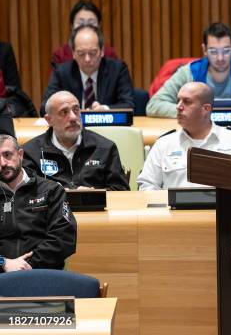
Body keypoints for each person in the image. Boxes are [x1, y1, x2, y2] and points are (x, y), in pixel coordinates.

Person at [146, 22, 231, 117]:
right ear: (204, 50)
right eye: (213, 51)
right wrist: (193, 112)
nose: (220, 58)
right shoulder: (188, 72)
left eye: (226, 51)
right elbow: (154, 105)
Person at [138, 82, 231, 190]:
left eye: (187, 101)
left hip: (223, 211)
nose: (178, 106)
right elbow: (147, 185)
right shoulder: (164, 144)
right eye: (178, 100)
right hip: (174, 212)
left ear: (206, 109)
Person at [22, 91, 129, 191]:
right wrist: (55, 195)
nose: (73, 117)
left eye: (76, 110)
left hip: (94, 210)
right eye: (64, 112)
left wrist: (95, 195)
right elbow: (25, 195)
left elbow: (121, 191)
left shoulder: (105, 148)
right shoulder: (31, 153)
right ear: (49, 120)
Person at [0, 135, 77, 271]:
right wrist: (3, 263)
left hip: (42, 273)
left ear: (20, 154)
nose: (3, 163)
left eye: (7, 155)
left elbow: (64, 237)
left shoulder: (51, 190)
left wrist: (29, 264)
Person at [40, 24, 134, 116]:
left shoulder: (117, 70)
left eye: (93, 53)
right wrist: (68, 112)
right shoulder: (61, 73)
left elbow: (129, 105)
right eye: (81, 53)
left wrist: (105, 110)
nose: (87, 59)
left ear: (102, 51)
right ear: (73, 53)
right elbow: (45, 107)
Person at [51, 0, 119, 66]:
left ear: (99, 26)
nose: (86, 27)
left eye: (91, 23)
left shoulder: (109, 54)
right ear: (72, 27)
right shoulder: (60, 55)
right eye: (80, 23)